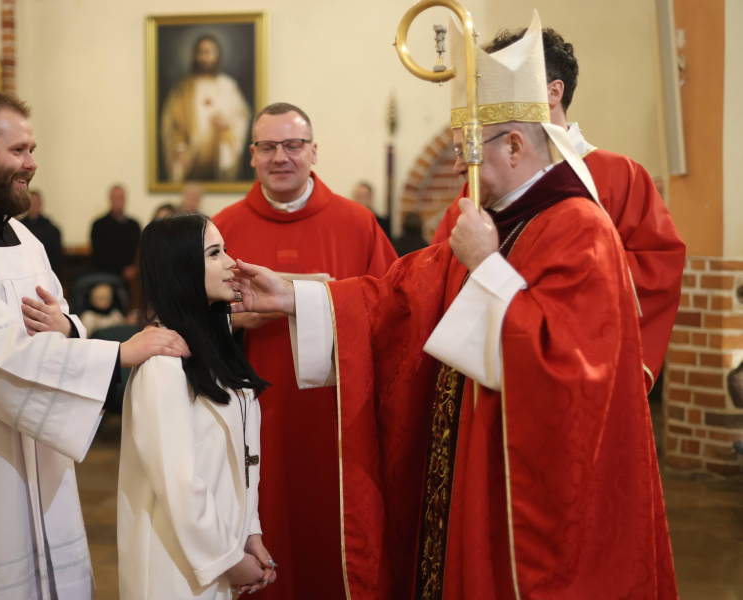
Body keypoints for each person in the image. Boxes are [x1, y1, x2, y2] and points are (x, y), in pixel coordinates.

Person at [231, 14, 676, 599]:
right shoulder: (495, 219)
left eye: (471, 146)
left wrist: (487, 265)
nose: (465, 165)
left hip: (529, 487)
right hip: (471, 458)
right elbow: (396, 297)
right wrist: (291, 296)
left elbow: (568, 368)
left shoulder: (578, 228)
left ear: (514, 145)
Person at [0, 91, 190, 600]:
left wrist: (70, 331)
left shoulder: (25, 240)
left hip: (38, 468)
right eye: (18, 150)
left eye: (32, 149)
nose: (31, 163)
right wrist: (117, 353)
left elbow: (60, 322)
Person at [430, 26, 685, 391]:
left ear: (554, 91)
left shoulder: (620, 175)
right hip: (492, 366)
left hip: (577, 359)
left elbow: (657, 268)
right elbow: (443, 265)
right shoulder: (481, 182)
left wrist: (559, 273)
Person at [211, 102, 398, 600]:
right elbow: (188, 319)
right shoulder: (221, 229)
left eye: (293, 145)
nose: (281, 157)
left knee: (330, 537)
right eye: (268, 146)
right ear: (252, 155)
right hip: (252, 417)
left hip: (336, 417)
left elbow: (394, 314)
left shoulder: (358, 224)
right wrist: (232, 319)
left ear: (313, 151)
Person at [118, 214, 276, 599]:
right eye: (214, 253)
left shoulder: (214, 343)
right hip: (177, 568)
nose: (231, 263)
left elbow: (238, 454)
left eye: (225, 250)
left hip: (222, 545)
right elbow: (178, 482)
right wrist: (228, 560)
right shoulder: (163, 362)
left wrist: (249, 531)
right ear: (181, 268)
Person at [161, 35, 252, 183]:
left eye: (210, 52)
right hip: (191, 157)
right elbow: (172, 121)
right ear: (195, 55)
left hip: (219, 154)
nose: (205, 57)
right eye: (201, 52)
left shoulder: (228, 85)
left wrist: (228, 125)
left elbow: (242, 117)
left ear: (217, 55)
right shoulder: (184, 87)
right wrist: (179, 147)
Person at [90, 184, 142, 280]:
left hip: (133, 276)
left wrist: (134, 268)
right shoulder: (99, 226)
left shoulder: (134, 225)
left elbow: (139, 252)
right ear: (110, 199)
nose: (119, 201)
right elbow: (100, 256)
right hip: (107, 275)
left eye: (121, 198)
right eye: (116, 198)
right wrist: (122, 270)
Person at [19, 189, 63, 272]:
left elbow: (55, 259)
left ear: (41, 204)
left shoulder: (52, 231)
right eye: (30, 203)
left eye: (35, 203)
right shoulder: (18, 228)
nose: (33, 206)